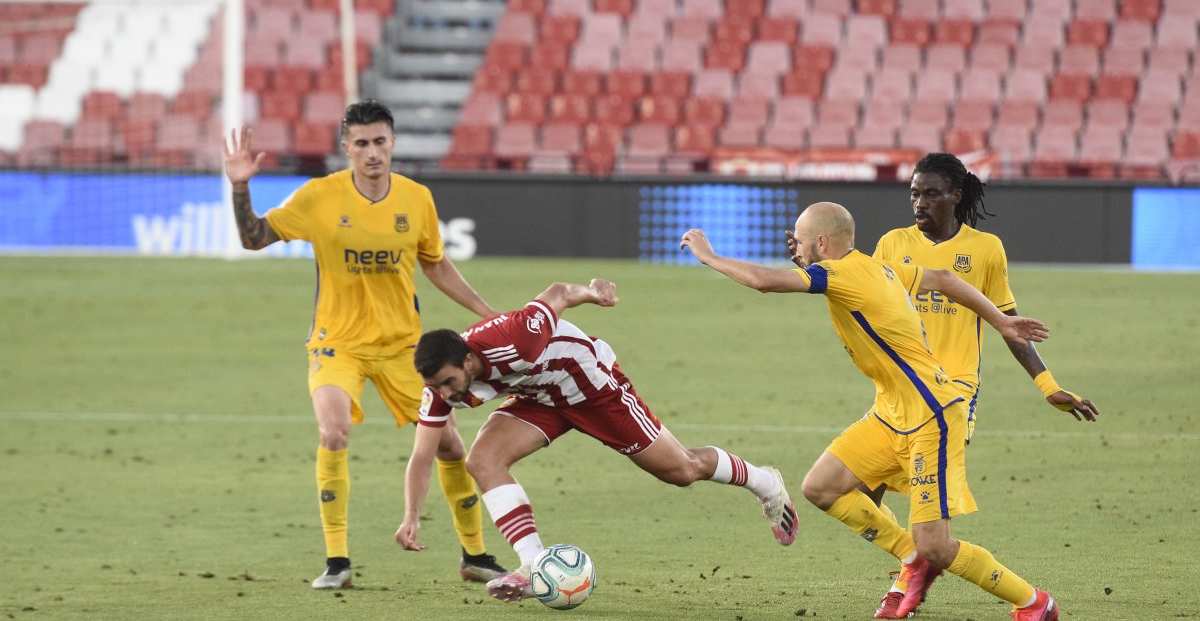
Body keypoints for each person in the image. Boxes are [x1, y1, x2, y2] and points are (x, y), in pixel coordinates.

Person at [682, 202, 1081, 621]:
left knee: (937, 545)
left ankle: (1033, 602)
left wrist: (709, 257)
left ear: (822, 242)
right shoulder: (881, 267)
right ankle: (912, 559)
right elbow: (944, 279)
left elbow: (764, 281)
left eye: (799, 240)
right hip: (891, 413)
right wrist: (1000, 321)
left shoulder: (839, 273)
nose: (793, 247)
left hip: (932, 415)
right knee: (821, 486)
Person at [221, 100, 509, 589]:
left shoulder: (416, 199)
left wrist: (485, 312)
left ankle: (475, 555)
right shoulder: (318, 197)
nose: (372, 152)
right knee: (333, 432)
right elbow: (253, 238)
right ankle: (337, 562)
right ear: (345, 149)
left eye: (380, 142)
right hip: (338, 343)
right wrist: (240, 186)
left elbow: (435, 264)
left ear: (393, 143)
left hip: (403, 348)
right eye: (361, 144)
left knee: (450, 446)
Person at [396, 278, 798, 602]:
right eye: (437, 386)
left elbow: (556, 293)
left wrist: (592, 292)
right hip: (540, 398)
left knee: (681, 470)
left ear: (467, 360)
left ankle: (766, 483)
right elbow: (421, 455)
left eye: (449, 382)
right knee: (482, 461)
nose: (446, 394)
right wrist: (412, 514)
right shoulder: (438, 389)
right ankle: (533, 565)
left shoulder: (515, 339)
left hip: (591, 386)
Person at [856, 152, 1100, 618]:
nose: (919, 203)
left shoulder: (985, 250)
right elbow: (857, 291)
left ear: (955, 195)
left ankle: (924, 577)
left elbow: (1011, 326)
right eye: (913, 193)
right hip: (898, 394)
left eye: (930, 193)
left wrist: (1048, 385)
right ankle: (915, 567)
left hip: (950, 397)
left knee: (925, 524)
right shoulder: (891, 244)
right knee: (859, 496)